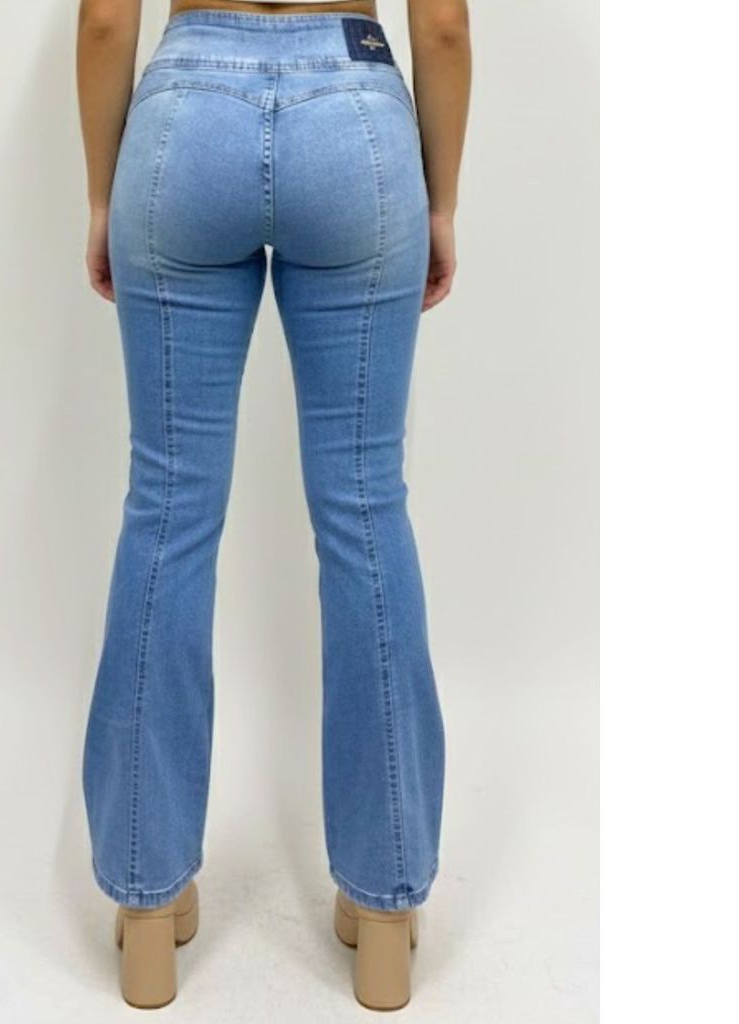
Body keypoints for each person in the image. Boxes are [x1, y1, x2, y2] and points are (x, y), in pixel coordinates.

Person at [75, 0, 471, 1009]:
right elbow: (441, 27)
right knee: (366, 509)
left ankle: (148, 909)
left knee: (166, 509)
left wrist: (103, 197)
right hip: (355, 130)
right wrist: (439, 205)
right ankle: (383, 915)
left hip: (184, 128)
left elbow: (108, 21)